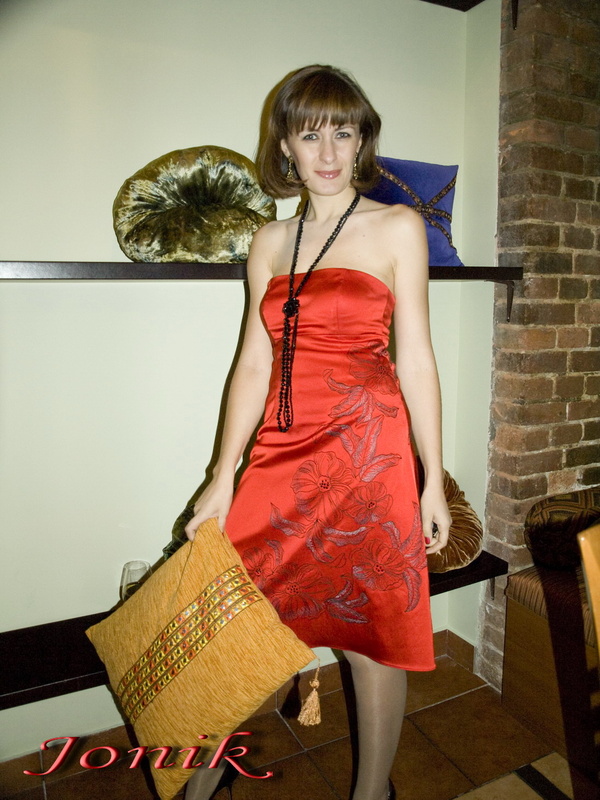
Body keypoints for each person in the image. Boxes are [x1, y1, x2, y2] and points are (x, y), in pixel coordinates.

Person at [184, 64, 451, 800]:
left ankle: (372, 792)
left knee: (372, 639)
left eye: (343, 131)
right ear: (286, 146)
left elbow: (416, 357)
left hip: (369, 456)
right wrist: (222, 475)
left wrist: (432, 476)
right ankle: (203, 784)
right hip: (282, 453)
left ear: (362, 140)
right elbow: (253, 362)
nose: (328, 151)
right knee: (243, 624)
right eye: (310, 135)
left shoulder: (398, 226)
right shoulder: (269, 242)